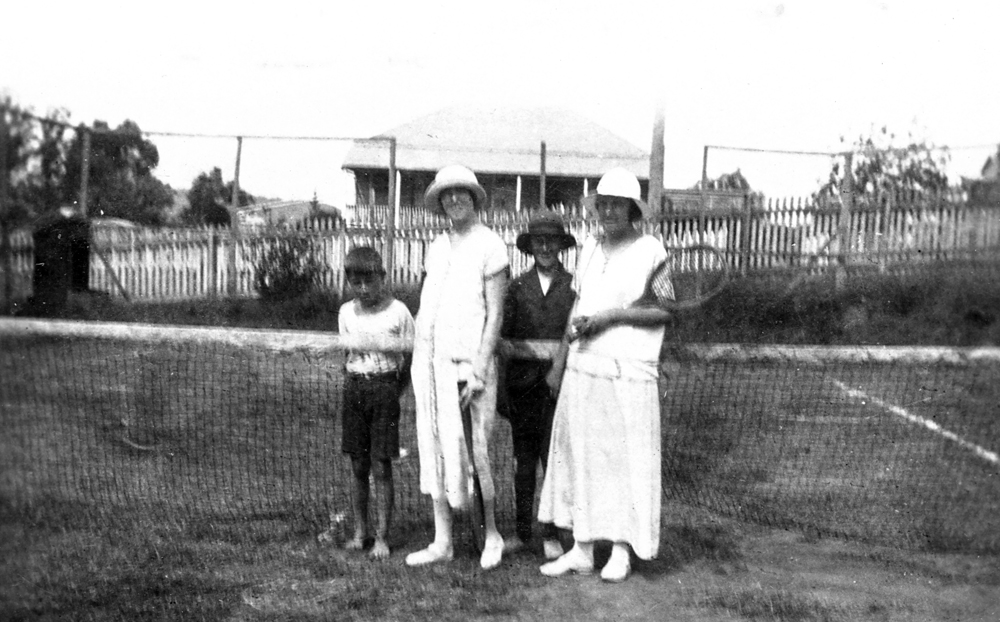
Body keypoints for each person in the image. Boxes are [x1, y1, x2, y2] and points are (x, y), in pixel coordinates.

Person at [537, 168, 674, 583]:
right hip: (583, 369)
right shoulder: (590, 250)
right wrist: (560, 362)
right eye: (603, 203)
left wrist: (611, 317)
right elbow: (578, 310)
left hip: (627, 374)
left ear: (632, 209)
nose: (608, 210)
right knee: (581, 458)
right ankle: (581, 549)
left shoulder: (652, 249)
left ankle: (620, 550)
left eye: (617, 203)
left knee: (621, 462)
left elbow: (665, 309)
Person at [405, 165, 510, 570]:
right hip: (429, 364)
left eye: (461, 193)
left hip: (470, 367)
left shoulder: (491, 245)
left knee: (475, 452)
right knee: (434, 447)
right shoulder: (436, 245)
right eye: (447, 195)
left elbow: (496, 313)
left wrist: (480, 369)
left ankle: (492, 536)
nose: (454, 200)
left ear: (474, 197)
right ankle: (442, 540)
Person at [500, 210, 577, 559]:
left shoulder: (574, 285)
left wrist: (559, 374)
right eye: (538, 241)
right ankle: (521, 531)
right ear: (530, 247)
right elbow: (504, 339)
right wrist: (504, 389)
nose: (545, 247)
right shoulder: (516, 288)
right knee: (524, 461)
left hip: (559, 387)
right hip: (523, 388)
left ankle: (552, 532)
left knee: (555, 460)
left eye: (552, 241)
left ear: (561, 246)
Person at [338, 246, 415, 560]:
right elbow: (347, 355)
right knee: (358, 464)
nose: (363, 288)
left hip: (385, 390)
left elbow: (411, 355)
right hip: (354, 389)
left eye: (369, 280)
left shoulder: (399, 312)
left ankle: (382, 537)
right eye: (356, 282)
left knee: (381, 465)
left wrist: (393, 389)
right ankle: (360, 532)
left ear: (383, 277)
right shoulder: (345, 313)